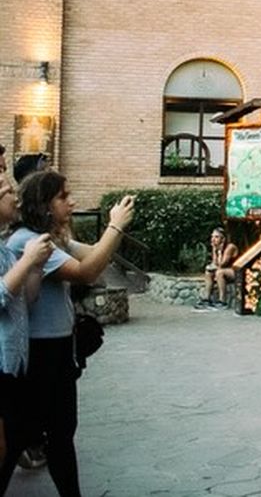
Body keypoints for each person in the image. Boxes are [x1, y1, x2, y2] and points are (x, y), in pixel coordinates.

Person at [0, 171, 135, 495]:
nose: (72, 201)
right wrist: (115, 225)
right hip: (36, 353)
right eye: (64, 197)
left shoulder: (46, 238)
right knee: (24, 436)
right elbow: (86, 272)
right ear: (44, 205)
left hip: (57, 348)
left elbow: (92, 256)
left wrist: (108, 233)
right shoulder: (24, 241)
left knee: (58, 433)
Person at [0, 178, 53, 471]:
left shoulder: (5, 249)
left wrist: (36, 266)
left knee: (15, 440)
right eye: (8, 192)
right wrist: (28, 260)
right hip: (1, 365)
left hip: (14, 362)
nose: (15, 199)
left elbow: (26, 300)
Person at [194, 227, 239, 311]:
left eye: (216, 237)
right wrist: (215, 250)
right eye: (212, 237)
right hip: (224, 270)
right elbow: (214, 263)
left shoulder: (230, 247)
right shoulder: (216, 247)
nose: (213, 239)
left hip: (236, 271)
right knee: (208, 272)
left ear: (223, 239)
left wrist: (218, 251)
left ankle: (222, 300)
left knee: (219, 272)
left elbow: (222, 264)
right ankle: (206, 298)